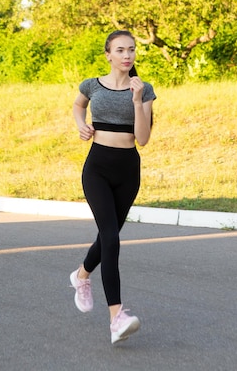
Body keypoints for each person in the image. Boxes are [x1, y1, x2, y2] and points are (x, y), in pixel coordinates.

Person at [69, 30, 156, 344]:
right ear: (108, 54)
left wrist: (137, 100)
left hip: (128, 170)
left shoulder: (144, 90)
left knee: (110, 236)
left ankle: (81, 276)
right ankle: (116, 317)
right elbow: (79, 106)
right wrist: (81, 125)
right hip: (98, 169)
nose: (127, 56)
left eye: (131, 50)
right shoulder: (92, 85)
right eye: (120, 50)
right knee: (110, 238)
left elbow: (143, 138)